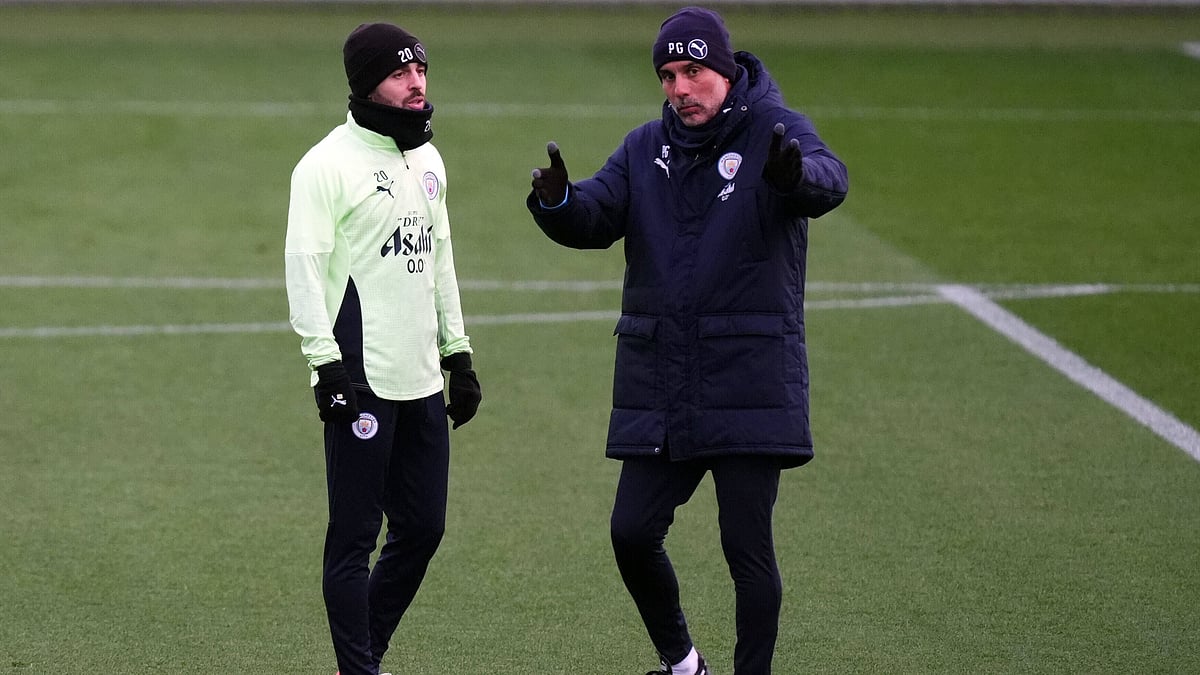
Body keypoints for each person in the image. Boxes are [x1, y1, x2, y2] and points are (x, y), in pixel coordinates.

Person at [526, 6, 848, 674]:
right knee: (631, 531)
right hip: (665, 380)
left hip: (749, 377)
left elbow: (829, 178)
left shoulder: (774, 132)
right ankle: (683, 664)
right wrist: (558, 203)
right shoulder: (646, 147)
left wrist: (795, 178)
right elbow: (596, 212)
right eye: (668, 74)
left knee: (745, 549)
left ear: (725, 70)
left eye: (693, 70)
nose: (679, 86)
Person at [284, 21, 481, 675]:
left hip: (423, 379)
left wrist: (458, 352)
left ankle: (362, 656)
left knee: (422, 528)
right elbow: (303, 266)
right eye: (401, 73)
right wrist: (324, 364)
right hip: (361, 380)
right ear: (369, 83)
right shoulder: (326, 166)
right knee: (353, 539)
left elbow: (440, 260)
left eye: (421, 69)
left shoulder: (428, 159)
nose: (417, 81)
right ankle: (361, 669)